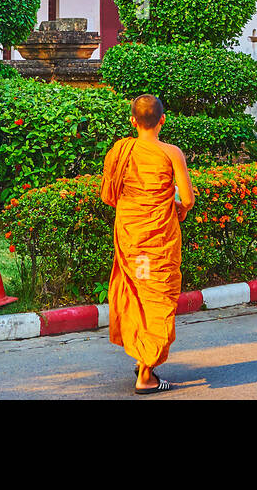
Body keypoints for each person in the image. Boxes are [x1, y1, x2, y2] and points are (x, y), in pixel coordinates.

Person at [100, 93, 195, 394]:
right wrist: (176, 205)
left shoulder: (121, 150)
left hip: (131, 237)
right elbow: (188, 198)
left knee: (138, 292)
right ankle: (145, 375)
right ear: (162, 120)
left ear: (133, 121)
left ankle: (144, 355)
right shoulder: (171, 153)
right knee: (156, 296)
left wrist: (133, 205)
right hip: (158, 239)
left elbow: (107, 196)